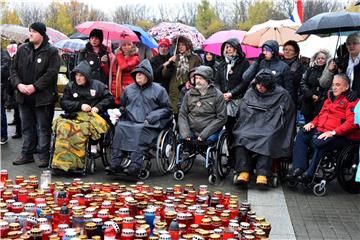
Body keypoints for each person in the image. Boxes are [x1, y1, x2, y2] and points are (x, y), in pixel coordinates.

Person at [287, 74, 360, 183]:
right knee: (302, 134)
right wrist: (312, 124)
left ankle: (309, 174)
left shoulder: (352, 100)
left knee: (320, 142)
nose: (334, 87)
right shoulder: (329, 98)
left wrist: (333, 132)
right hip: (322, 130)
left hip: (342, 135)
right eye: (333, 85)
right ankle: (299, 168)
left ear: (346, 87)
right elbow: (320, 115)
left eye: (338, 85)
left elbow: (353, 122)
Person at [106, 59, 172, 176]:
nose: (138, 76)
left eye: (141, 74)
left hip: (149, 123)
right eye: (137, 73)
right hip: (130, 120)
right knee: (120, 126)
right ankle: (115, 162)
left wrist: (153, 116)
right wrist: (118, 112)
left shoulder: (159, 90)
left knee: (139, 130)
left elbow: (167, 109)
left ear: (147, 76)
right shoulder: (129, 89)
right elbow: (123, 105)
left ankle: (135, 165)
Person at [10, 22, 60, 167]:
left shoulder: (51, 51)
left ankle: (44, 156)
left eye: (33, 31)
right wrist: (18, 84)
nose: (30, 34)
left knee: (43, 128)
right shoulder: (22, 49)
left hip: (43, 98)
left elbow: (51, 73)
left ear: (41, 34)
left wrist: (34, 87)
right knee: (26, 127)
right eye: (29, 31)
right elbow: (13, 70)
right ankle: (27, 154)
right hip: (23, 96)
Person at [233, 69, 295, 186]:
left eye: (263, 85)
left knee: (268, 138)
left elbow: (288, 115)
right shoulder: (250, 92)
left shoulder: (282, 94)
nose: (260, 87)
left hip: (270, 126)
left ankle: (263, 173)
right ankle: (244, 171)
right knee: (241, 136)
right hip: (250, 125)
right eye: (258, 84)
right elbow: (243, 110)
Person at [51, 60, 114, 172]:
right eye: (76, 75)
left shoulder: (98, 85)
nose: (78, 78)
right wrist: (79, 105)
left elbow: (109, 99)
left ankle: (80, 159)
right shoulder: (70, 86)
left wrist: (97, 107)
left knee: (82, 128)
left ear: (87, 76)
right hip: (74, 115)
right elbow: (64, 102)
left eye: (81, 76)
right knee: (62, 127)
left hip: (92, 115)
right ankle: (62, 161)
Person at [214, 38, 250, 166]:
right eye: (226, 47)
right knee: (225, 128)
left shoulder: (244, 64)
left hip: (237, 99)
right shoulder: (221, 64)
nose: (228, 49)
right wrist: (220, 93)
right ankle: (226, 154)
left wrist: (232, 93)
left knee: (235, 129)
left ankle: (235, 158)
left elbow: (244, 82)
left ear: (236, 49)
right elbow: (217, 81)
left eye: (230, 47)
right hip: (222, 98)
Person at [178, 66, 227, 144]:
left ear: (208, 80)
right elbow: (183, 114)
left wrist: (204, 135)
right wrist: (185, 133)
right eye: (196, 78)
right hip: (191, 130)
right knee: (180, 138)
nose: (197, 81)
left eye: (200, 78)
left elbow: (221, 118)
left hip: (209, 131)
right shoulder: (189, 94)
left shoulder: (218, 95)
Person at [162, 35, 201, 116]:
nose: (180, 47)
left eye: (183, 45)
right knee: (176, 112)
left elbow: (199, 73)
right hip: (175, 90)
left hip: (189, 88)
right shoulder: (174, 58)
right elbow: (165, 75)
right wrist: (169, 64)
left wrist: (192, 82)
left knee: (189, 112)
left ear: (187, 45)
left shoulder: (195, 58)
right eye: (179, 45)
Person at [319, 33, 360, 102]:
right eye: (348, 44)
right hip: (342, 100)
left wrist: (358, 92)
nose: (351, 46)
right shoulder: (341, 61)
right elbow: (323, 83)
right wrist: (330, 71)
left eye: (355, 43)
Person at [300, 49, 331, 123]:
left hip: (322, 102)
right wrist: (311, 95)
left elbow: (330, 87)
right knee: (308, 124)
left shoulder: (329, 71)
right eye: (318, 58)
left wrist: (320, 97)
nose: (320, 60)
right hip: (308, 101)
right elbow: (303, 83)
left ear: (327, 59)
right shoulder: (310, 69)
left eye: (323, 58)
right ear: (315, 59)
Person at [109, 39, 140, 105]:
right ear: (120, 47)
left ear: (132, 46)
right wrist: (104, 64)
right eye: (124, 45)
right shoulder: (116, 58)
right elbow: (111, 73)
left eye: (129, 45)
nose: (126, 47)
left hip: (127, 90)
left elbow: (124, 67)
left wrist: (119, 55)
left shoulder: (135, 58)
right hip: (115, 90)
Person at [280, 40, 304, 105]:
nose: (287, 51)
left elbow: (295, 81)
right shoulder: (278, 62)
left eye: (290, 50)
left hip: (291, 96)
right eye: (285, 49)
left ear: (296, 53)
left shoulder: (297, 65)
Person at [1, 47, 11, 144]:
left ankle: (3, 135)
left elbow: (5, 70)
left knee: (1, 114)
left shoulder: (4, 55)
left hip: (1, 89)